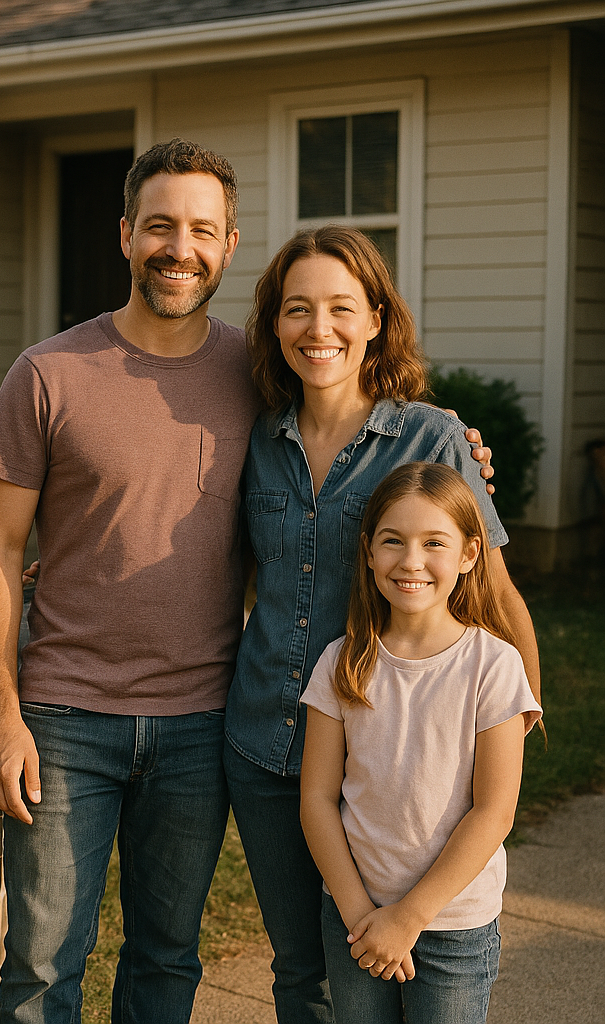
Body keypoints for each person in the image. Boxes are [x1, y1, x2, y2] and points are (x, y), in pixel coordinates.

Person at [0, 139, 260, 1024]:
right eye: (162, 226)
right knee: (42, 968)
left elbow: (365, 425)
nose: (181, 248)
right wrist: (2, 715)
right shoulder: (48, 373)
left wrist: (452, 440)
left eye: (202, 230)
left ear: (230, 245)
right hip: (64, 721)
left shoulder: (261, 373)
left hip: (203, 723)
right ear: (126, 234)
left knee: (167, 961)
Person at [223, 225, 540, 1024]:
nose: (318, 328)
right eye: (297, 310)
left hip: (387, 754)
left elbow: (493, 592)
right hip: (267, 744)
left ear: (375, 319)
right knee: (305, 971)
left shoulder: (432, 436)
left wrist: (520, 712)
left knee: (382, 963)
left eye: (340, 307)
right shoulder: (254, 439)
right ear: (274, 325)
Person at [299, 461, 542, 1023]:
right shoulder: (342, 662)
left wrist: (408, 919)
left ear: (469, 554)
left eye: (435, 542)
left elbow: (495, 810)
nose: (411, 561)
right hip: (356, 917)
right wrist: (362, 914)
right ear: (368, 551)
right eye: (393, 541)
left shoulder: (493, 666)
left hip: (455, 923)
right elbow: (316, 800)